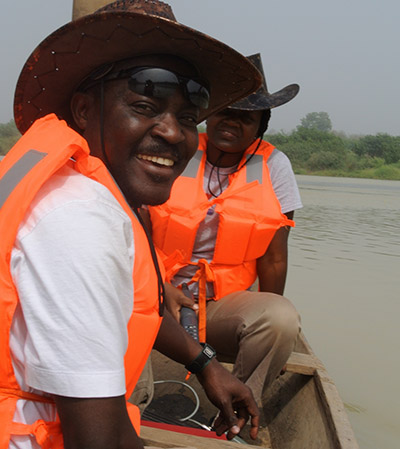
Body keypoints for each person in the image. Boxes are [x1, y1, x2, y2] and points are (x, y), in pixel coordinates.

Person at [0, 2, 264, 448]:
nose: (174, 134)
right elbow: (98, 440)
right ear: (83, 110)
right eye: (144, 106)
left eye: (186, 118)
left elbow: (132, 304)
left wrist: (204, 363)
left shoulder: (87, 189)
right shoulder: (78, 218)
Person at [148, 53, 303, 407]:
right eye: (224, 112)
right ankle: (128, 403)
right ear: (208, 114)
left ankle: (240, 404)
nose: (232, 123)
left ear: (260, 125)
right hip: (157, 294)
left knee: (280, 319)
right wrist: (157, 286)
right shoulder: (177, 144)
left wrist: (273, 331)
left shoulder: (275, 165)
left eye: (246, 117)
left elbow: (275, 257)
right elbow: (136, 224)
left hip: (222, 306)